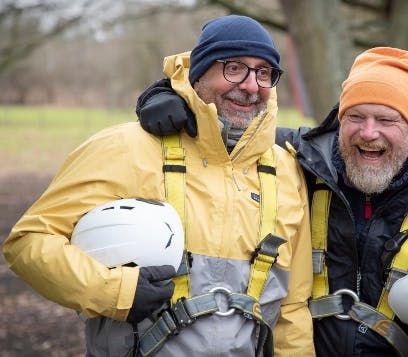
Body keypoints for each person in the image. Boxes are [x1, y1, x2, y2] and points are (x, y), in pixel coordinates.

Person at [136, 46, 408, 356]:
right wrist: (165, 98)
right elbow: (229, 120)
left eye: (387, 120)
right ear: (339, 119)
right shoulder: (296, 161)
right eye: (356, 117)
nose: (368, 133)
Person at [3, 15, 314, 357]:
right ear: (199, 75)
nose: (252, 85)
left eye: (264, 72)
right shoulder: (126, 147)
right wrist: (115, 293)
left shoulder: (286, 170)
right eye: (234, 68)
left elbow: (292, 310)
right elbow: (28, 243)